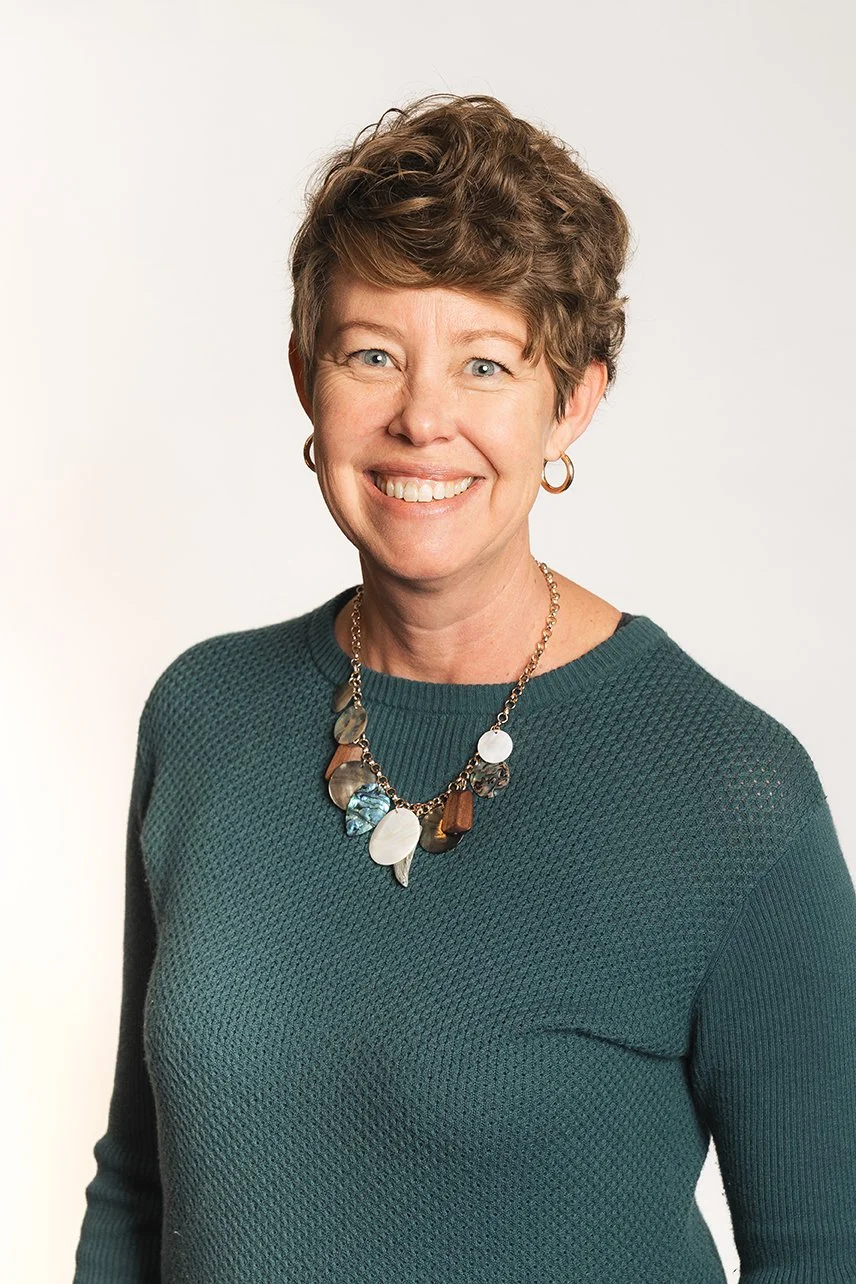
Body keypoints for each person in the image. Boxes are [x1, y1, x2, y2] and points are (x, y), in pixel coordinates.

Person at [73, 93, 856, 1282]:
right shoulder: (204, 718)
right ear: (306, 378)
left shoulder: (730, 794)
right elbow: (139, 1192)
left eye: (484, 364)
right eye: (372, 355)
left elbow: (825, 1251)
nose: (421, 418)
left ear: (573, 400)